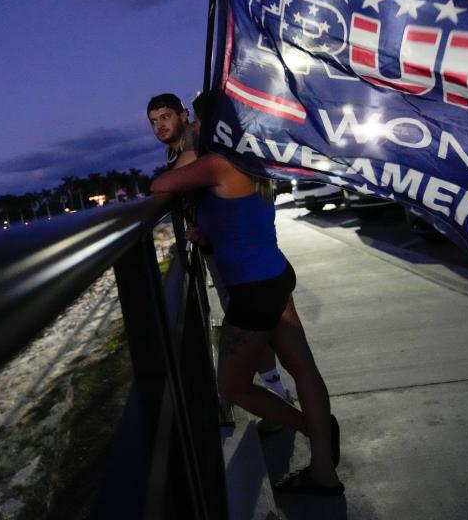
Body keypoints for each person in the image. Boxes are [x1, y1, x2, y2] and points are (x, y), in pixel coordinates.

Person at [150, 92, 343, 496]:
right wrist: (204, 233)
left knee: (232, 387)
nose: (195, 130)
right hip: (274, 274)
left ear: (213, 124)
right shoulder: (251, 161)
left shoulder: (217, 163)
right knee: (303, 368)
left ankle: (313, 429)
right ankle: (323, 465)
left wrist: (190, 162)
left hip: (253, 291)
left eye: (199, 123)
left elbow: (161, 184)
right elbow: (236, 219)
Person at [147, 93, 290, 404]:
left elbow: (168, 185)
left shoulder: (196, 150)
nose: (159, 126)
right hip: (229, 249)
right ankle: (284, 397)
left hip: (235, 254)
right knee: (272, 332)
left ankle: (273, 392)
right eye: (154, 121)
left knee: (250, 325)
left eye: (166, 117)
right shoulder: (180, 154)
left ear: (185, 116)